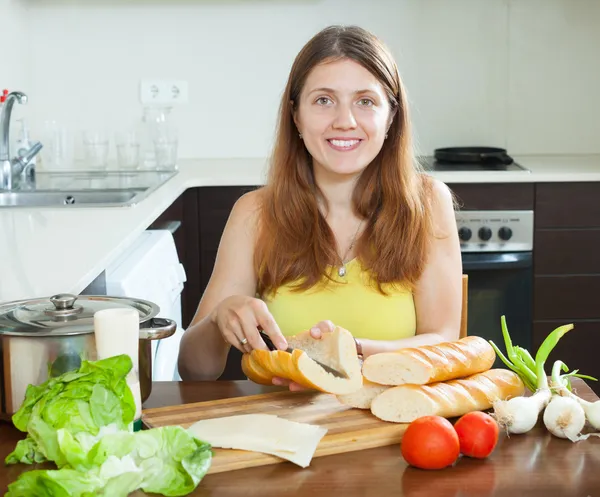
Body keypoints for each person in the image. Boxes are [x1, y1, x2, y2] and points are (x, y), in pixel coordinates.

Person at [178, 25, 463, 387]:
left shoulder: (427, 202)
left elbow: (443, 343)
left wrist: (350, 352)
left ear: (392, 116)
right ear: (296, 116)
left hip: (396, 426)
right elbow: (194, 369)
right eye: (324, 100)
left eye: (365, 101)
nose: (344, 121)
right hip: (284, 431)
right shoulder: (254, 214)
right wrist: (220, 318)